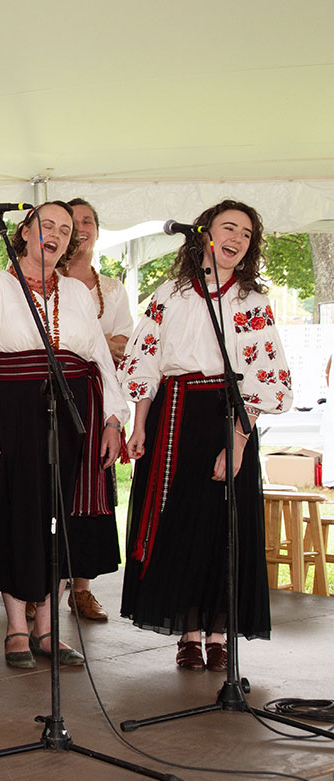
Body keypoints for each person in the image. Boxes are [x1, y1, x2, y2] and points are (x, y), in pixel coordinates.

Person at [121, 199, 291, 671]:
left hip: (230, 416)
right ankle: (187, 631)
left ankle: (218, 633)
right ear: (204, 233)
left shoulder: (251, 302)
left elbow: (266, 377)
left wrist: (236, 440)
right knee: (180, 524)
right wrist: (138, 424)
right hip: (174, 417)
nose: (236, 239)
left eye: (246, 234)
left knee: (223, 529)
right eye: (228, 228)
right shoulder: (170, 295)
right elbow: (144, 362)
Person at [0, 201, 127, 669]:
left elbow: (100, 359)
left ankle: (49, 627)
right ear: (25, 231)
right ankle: (15, 626)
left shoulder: (76, 292)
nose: (53, 233)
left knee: (59, 518)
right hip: (12, 411)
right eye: (45, 224)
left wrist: (113, 419)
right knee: (19, 515)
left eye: (64, 229)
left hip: (71, 414)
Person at [51, 197, 134, 622]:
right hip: (49, 393)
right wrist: (101, 344)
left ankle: (80, 589)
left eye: (87, 221)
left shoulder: (113, 289)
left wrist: (98, 346)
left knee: (91, 489)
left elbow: (126, 348)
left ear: (98, 231)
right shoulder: (45, 280)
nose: (79, 229)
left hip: (97, 395)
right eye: (71, 222)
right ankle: (40, 588)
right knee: (51, 488)